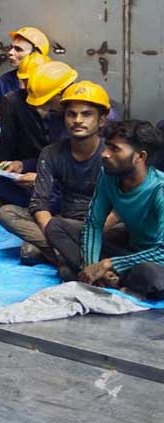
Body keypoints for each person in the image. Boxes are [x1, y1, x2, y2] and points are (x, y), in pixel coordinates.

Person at [45, 120, 164, 300]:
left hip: (155, 258)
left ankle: (107, 276)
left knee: (150, 275)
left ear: (140, 156)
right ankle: (105, 278)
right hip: (129, 249)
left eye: (115, 149)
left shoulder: (159, 189)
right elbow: (93, 224)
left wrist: (109, 264)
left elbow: (162, 252)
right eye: (107, 146)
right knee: (56, 226)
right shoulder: (108, 175)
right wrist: (92, 266)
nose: (105, 154)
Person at [0, 81, 109, 265]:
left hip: (100, 227)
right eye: (71, 114)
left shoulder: (110, 154)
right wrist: (56, 236)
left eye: (86, 114)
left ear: (101, 120)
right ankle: (67, 255)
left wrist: (93, 235)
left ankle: (62, 254)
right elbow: (39, 203)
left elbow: (121, 208)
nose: (78, 120)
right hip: (61, 222)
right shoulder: (51, 153)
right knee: (7, 213)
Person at [0, 60, 74, 216]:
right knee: (2, 186)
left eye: (47, 102)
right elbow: (52, 156)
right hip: (47, 177)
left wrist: (42, 180)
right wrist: (22, 165)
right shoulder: (52, 113)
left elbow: (82, 172)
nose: (45, 108)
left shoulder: (80, 120)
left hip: (71, 190)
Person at [0, 26, 50, 117]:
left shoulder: (53, 79)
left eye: (18, 49)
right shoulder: (5, 80)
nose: (10, 52)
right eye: (11, 48)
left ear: (36, 54)